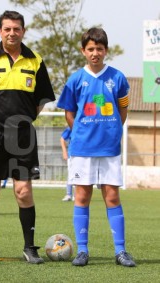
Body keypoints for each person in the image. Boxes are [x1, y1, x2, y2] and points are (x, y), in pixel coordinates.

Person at [0, 10, 55, 264]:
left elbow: (42, 100)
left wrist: (23, 121)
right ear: (0, 31)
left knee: (24, 191)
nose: (12, 33)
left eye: (16, 29)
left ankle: (30, 248)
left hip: (23, 136)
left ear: (23, 31)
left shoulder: (35, 60)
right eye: (7, 29)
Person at [57, 27, 135, 267]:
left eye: (99, 49)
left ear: (106, 50)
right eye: (90, 49)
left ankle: (120, 251)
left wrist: (112, 130)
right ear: (83, 51)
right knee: (82, 195)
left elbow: (123, 108)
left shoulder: (118, 78)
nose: (95, 53)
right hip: (82, 149)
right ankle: (82, 251)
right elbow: (69, 113)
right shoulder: (76, 79)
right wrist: (82, 132)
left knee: (112, 196)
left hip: (109, 149)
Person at [60, 127, 74, 201]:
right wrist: (64, 151)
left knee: (81, 175)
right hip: (72, 154)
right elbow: (62, 139)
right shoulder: (71, 127)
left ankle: (76, 195)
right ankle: (69, 194)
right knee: (71, 174)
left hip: (84, 154)